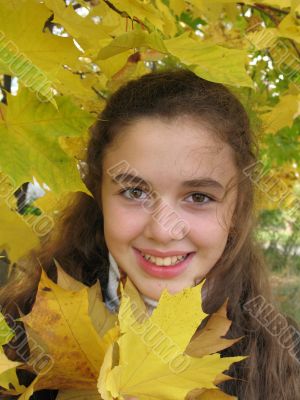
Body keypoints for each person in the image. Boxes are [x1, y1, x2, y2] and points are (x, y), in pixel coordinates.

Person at [0, 69, 299, 399]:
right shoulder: (13, 334)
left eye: (199, 197)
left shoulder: (287, 359)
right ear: (98, 195)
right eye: (134, 192)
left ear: (237, 208)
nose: (162, 230)